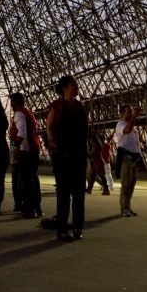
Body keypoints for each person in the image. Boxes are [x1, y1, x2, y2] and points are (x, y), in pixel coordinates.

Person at [46, 75, 88, 241]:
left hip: (78, 154)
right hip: (62, 155)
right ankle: (62, 229)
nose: (76, 87)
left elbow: (85, 130)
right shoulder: (56, 107)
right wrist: (54, 144)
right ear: (64, 89)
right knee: (63, 193)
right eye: (73, 85)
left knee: (79, 193)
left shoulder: (80, 107)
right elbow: (50, 127)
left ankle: (78, 226)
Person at [9, 92, 42, 218]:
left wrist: (16, 149)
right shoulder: (28, 113)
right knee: (33, 179)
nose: (10, 104)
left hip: (26, 150)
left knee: (25, 182)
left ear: (15, 102)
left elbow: (22, 133)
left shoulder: (19, 114)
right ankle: (37, 208)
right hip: (34, 149)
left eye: (12, 101)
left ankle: (28, 209)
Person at [116, 104, 143, 216]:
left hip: (134, 159)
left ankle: (128, 205)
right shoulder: (120, 125)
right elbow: (127, 130)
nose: (131, 113)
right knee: (126, 184)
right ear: (122, 113)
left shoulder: (133, 128)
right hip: (126, 158)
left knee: (132, 184)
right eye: (129, 112)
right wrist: (135, 116)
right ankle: (124, 208)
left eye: (132, 111)